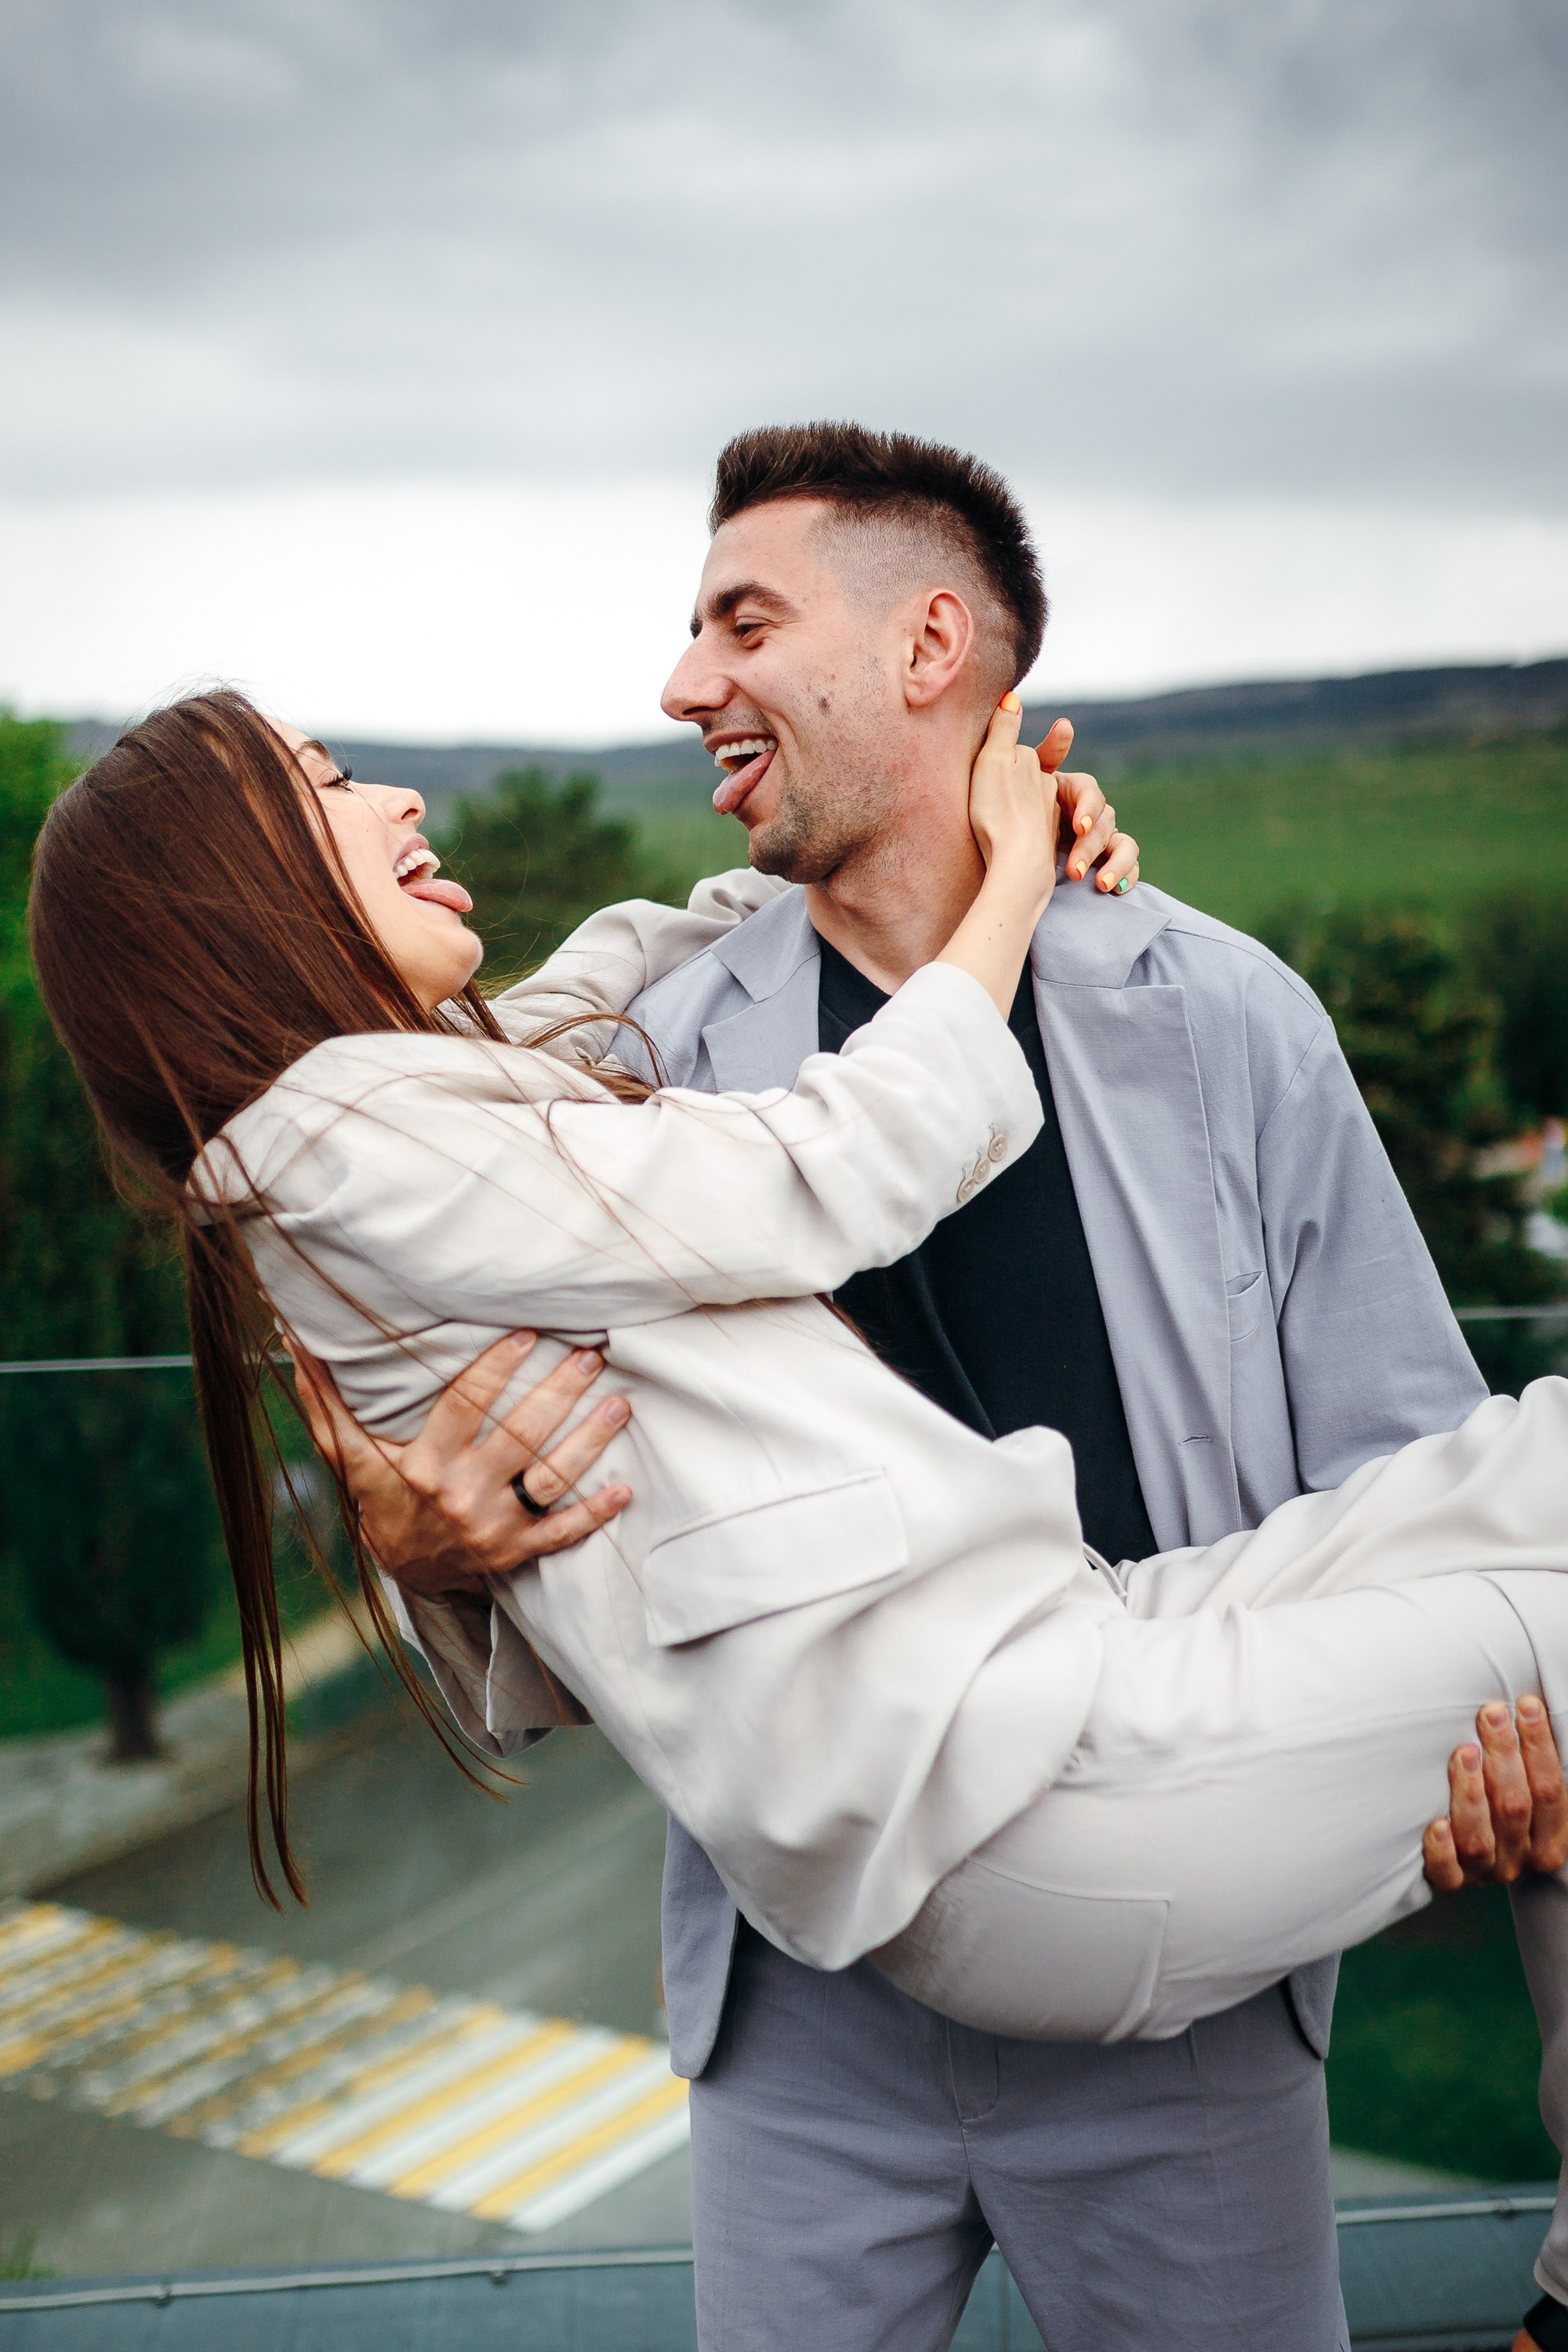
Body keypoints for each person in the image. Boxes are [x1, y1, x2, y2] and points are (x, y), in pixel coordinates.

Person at [25, 676, 1568, 2352]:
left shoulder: (417, 1107)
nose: (398, 799)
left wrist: (903, 845)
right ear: (224, 892)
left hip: (1070, 1674)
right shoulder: (335, 1141)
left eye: (749, 628)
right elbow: (826, 1167)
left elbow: (603, 970)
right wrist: (1000, 889)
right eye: (327, 783)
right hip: (1008, 1788)